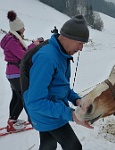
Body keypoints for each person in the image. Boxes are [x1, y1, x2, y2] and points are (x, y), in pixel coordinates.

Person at [20, 15, 93, 150]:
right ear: (68, 37)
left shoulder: (62, 53)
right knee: (74, 147)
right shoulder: (47, 58)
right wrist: (72, 114)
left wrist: (77, 100)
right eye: (80, 43)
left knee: (49, 145)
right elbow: (35, 101)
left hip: (51, 110)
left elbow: (61, 86)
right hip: (45, 113)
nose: (81, 48)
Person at [0, 10, 41, 132]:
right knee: (23, 98)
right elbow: (24, 57)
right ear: (18, 28)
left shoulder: (12, 39)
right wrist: (34, 46)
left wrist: (33, 45)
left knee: (16, 97)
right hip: (16, 73)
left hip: (13, 73)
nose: (24, 29)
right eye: (22, 27)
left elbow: (22, 53)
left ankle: (12, 120)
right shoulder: (12, 41)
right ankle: (29, 119)